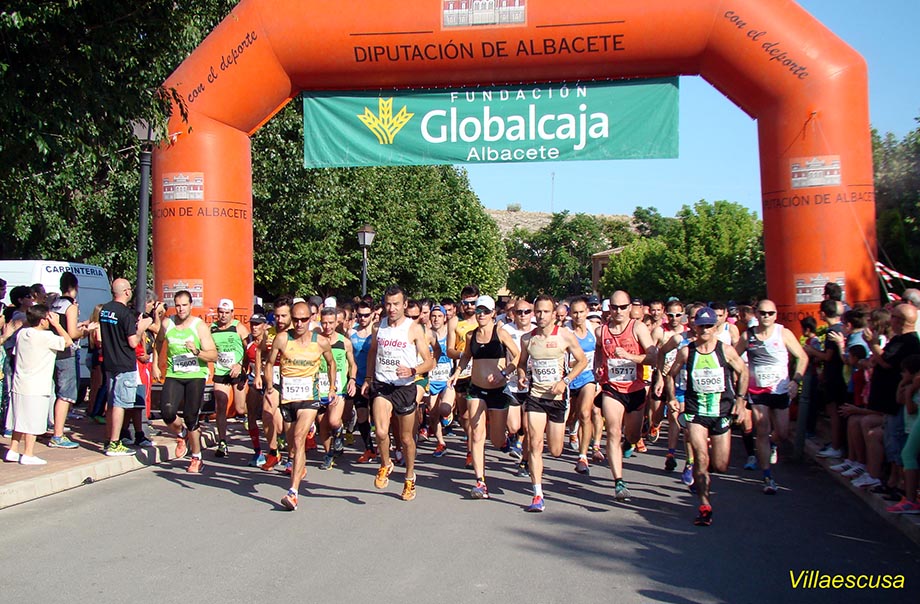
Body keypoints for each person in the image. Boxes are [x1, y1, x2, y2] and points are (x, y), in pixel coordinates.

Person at [665, 307, 748, 526]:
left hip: (720, 412)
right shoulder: (687, 351)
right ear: (694, 326)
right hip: (695, 412)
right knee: (701, 458)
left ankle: (705, 475)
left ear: (715, 327)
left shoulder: (726, 351)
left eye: (709, 326)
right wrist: (672, 397)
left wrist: (740, 400)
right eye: (701, 325)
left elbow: (743, 372)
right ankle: (704, 506)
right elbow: (670, 375)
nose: (704, 329)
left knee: (720, 465)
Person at [363, 285, 435, 501]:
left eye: (396, 304)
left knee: (406, 439)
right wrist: (368, 378)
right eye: (387, 304)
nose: (391, 308)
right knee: (382, 432)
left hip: (404, 387)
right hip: (382, 385)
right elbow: (373, 352)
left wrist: (413, 370)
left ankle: (410, 477)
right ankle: (385, 464)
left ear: (405, 305)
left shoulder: (413, 328)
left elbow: (429, 361)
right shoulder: (379, 327)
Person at [517, 295, 587, 512]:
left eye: (545, 311)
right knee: (535, 442)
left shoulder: (565, 336)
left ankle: (558, 447)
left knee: (555, 450)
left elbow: (582, 361)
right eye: (537, 311)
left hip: (557, 399)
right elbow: (521, 363)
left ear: (554, 313)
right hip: (536, 397)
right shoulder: (527, 339)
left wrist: (565, 382)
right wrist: (521, 375)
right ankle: (538, 494)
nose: (540, 315)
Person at [265, 301, 336, 511]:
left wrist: (331, 388)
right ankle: (298, 463)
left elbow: (331, 362)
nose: (298, 324)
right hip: (288, 398)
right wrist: (269, 385)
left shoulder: (320, 342)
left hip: (309, 398)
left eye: (303, 319)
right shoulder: (282, 339)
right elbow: (269, 363)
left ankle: (293, 492)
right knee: (293, 446)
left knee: (298, 438)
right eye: (295, 319)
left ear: (311, 319)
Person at [735, 299, 808, 494]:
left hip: (780, 389)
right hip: (758, 391)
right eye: (762, 313)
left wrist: (796, 380)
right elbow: (733, 358)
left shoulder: (783, 333)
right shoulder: (747, 336)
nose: (766, 316)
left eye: (770, 313)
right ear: (756, 315)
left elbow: (802, 357)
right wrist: (739, 380)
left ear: (775, 315)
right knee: (762, 428)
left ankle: (770, 443)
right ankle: (767, 476)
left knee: (783, 433)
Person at [451, 294, 520, 499]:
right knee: (477, 433)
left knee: (496, 439)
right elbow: (465, 357)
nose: (481, 314)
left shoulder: (500, 332)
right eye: (478, 310)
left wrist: (504, 373)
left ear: (493, 314)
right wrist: (456, 373)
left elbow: (517, 356)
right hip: (476, 390)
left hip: (497, 390)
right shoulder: (471, 336)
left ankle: (505, 442)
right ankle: (480, 482)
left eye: (485, 311)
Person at [595, 290, 657, 501]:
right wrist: (597, 366)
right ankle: (619, 481)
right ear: (609, 309)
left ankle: (630, 443)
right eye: (614, 307)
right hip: (611, 388)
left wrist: (630, 356)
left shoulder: (637, 328)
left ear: (630, 307)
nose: (619, 311)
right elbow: (597, 350)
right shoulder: (601, 331)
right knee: (612, 431)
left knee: (632, 435)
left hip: (635, 389)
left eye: (623, 307)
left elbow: (653, 357)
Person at [153, 290, 218, 472]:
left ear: (191, 306)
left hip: (196, 374)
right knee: (166, 412)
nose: (181, 309)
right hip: (175, 373)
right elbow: (158, 343)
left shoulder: (199, 326)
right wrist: (155, 364)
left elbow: (213, 355)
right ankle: (182, 434)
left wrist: (196, 351)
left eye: (184, 305)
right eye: (178, 305)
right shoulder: (168, 323)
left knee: (190, 416)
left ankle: (196, 457)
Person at [4, 305, 73, 464]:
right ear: (42, 320)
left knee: (19, 419)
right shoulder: (46, 336)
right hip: (37, 385)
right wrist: (57, 325)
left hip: (20, 383)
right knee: (32, 421)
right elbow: (68, 341)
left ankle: (13, 450)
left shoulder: (22, 333)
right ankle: (28, 453)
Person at [99, 279, 153, 457]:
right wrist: (141, 328)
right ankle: (115, 442)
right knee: (121, 404)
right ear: (127, 292)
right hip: (124, 362)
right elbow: (132, 341)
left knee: (112, 402)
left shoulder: (105, 310)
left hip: (109, 361)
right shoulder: (125, 313)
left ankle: (109, 438)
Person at [49, 271, 95, 449]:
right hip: (67, 351)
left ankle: (54, 427)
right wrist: (87, 330)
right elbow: (72, 333)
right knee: (66, 394)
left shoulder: (55, 303)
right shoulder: (71, 306)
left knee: (56, 391)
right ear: (75, 288)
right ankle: (58, 434)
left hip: (53, 348)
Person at [316, 306, 356, 470]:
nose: (327, 327)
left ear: (336, 323)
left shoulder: (344, 342)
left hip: (338, 387)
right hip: (320, 386)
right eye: (324, 323)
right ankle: (328, 455)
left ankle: (339, 432)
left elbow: (353, 364)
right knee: (322, 424)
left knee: (333, 420)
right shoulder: (316, 340)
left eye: (330, 323)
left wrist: (352, 379)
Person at [210, 298, 250, 458]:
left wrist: (241, 366)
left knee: (240, 408)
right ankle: (222, 442)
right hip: (221, 371)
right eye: (221, 312)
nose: (223, 316)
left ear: (232, 313)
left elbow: (250, 351)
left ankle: (250, 413)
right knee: (221, 407)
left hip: (237, 371)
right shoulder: (211, 329)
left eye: (227, 313)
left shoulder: (239, 328)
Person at [568, 296, 601, 475]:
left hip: (588, 377)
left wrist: (600, 370)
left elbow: (602, 351)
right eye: (575, 312)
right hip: (569, 379)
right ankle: (572, 432)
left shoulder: (594, 330)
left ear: (587, 312)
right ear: (570, 314)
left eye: (581, 312)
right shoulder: (565, 331)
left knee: (585, 413)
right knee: (571, 417)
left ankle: (583, 455)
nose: (578, 316)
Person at [348, 300, 377, 463]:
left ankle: (385, 445)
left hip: (376, 380)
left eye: (366, 315)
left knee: (379, 418)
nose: (363, 318)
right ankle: (369, 449)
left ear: (372, 314)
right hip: (358, 380)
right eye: (360, 315)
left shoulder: (378, 332)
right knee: (361, 415)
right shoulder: (351, 333)